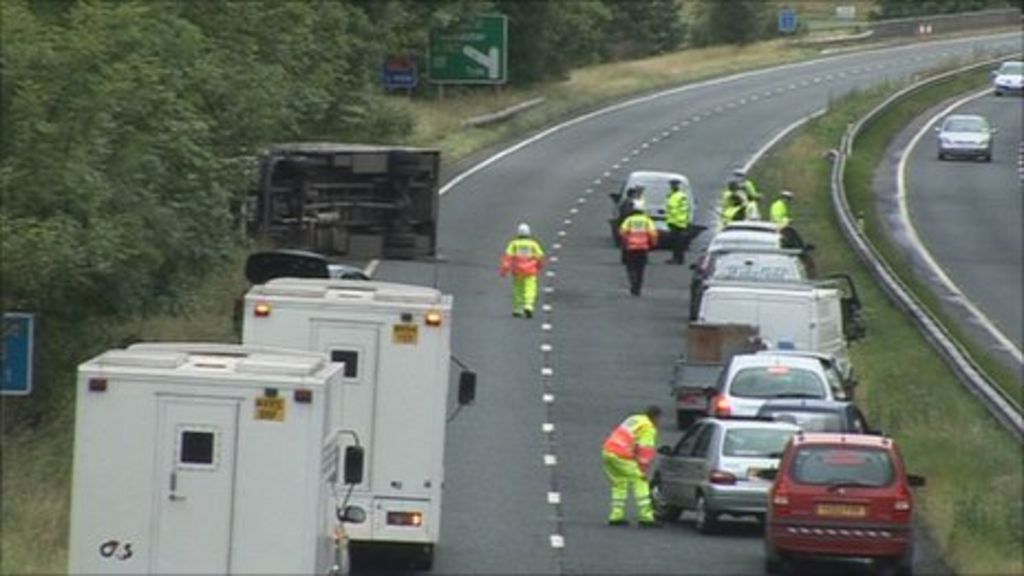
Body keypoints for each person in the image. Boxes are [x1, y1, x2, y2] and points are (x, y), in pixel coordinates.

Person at [602, 405, 663, 527]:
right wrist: (643, 471)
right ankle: (646, 516)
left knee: (619, 482)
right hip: (622, 455)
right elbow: (645, 450)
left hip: (608, 451)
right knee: (640, 481)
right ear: (656, 417)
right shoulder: (648, 427)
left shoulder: (635, 419)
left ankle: (616, 515)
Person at [499, 223, 545, 318]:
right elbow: (540, 256)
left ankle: (518, 308)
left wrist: (504, 269)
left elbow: (508, 257)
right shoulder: (533, 244)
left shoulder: (514, 244)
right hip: (530, 271)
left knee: (518, 288)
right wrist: (540, 266)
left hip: (517, 270)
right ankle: (528, 305)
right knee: (530, 288)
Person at [618, 200, 658, 296]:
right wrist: (653, 243)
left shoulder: (629, 220)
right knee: (640, 269)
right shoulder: (647, 220)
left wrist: (625, 242)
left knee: (631, 268)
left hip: (631, 248)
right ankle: (638, 287)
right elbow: (653, 234)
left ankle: (633, 283)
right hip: (643, 248)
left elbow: (622, 232)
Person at [664, 179, 692, 265]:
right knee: (675, 242)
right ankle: (676, 258)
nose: (672, 187)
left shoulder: (680, 196)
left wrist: (681, 221)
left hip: (678, 223)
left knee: (678, 243)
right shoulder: (672, 195)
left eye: (674, 185)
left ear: (677, 186)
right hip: (673, 222)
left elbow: (682, 209)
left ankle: (678, 259)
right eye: (672, 185)